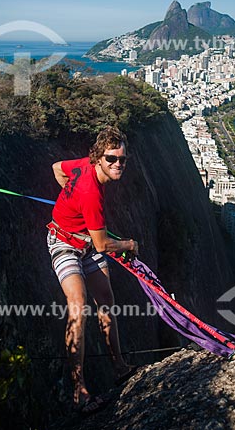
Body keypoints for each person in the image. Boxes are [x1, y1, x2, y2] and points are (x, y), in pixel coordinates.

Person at [47, 126, 139, 415]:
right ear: (98, 158)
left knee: (107, 303)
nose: (118, 164)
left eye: (123, 159)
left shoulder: (85, 165)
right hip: (64, 241)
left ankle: (120, 367)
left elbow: (57, 168)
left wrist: (68, 197)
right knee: (78, 306)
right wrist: (129, 244)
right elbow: (102, 244)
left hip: (85, 241)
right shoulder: (92, 194)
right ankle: (79, 391)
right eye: (112, 159)